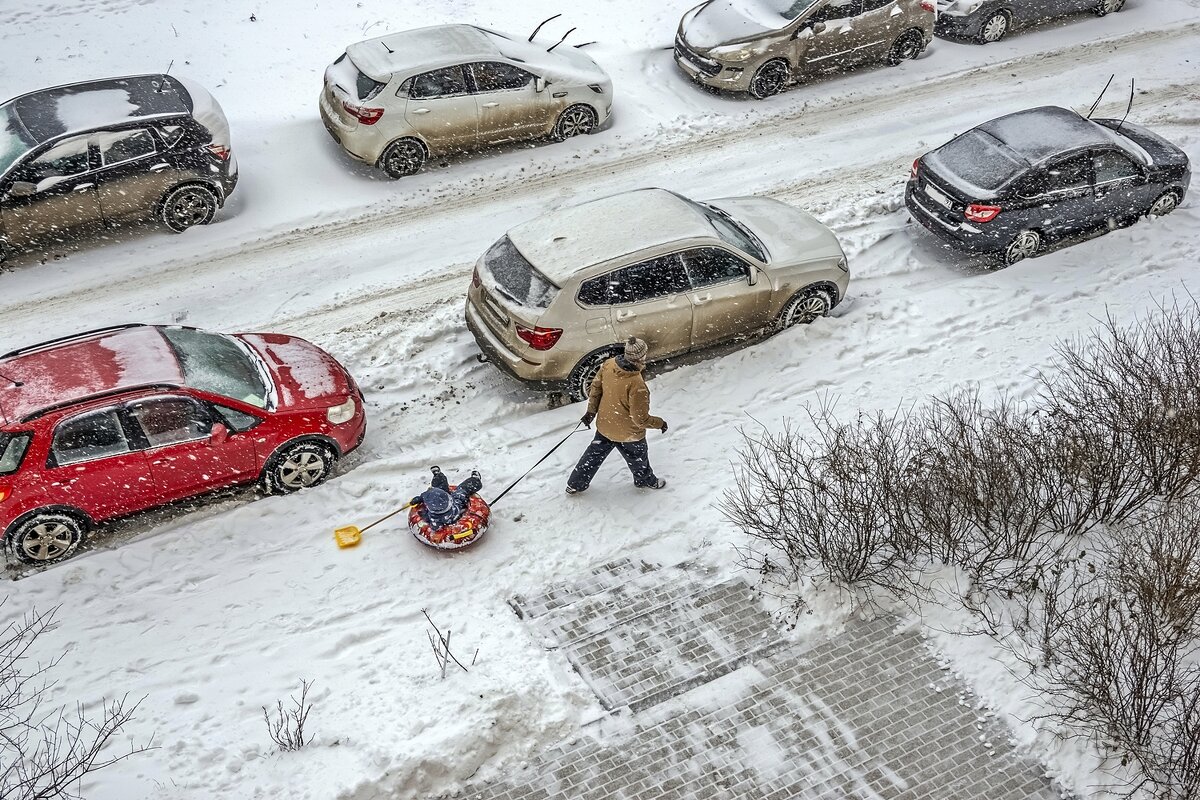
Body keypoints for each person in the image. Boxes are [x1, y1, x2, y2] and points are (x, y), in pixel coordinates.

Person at [566, 337, 668, 494]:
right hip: (628, 433)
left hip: (605, 424)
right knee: (638, 458)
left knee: (592, 456)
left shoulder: (609, 364)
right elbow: (640, 420)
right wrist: (660, 423)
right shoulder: (637, 385)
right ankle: (645, 481)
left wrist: (591, 412)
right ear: (642, 357)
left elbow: (596, 388)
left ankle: (576, 484)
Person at [410, 466, 483, 530]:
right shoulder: (438, 519)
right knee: (462, 490)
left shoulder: (432, 508)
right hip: (456, 506)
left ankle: (438, 475)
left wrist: (418, 499)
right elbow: (435, 528)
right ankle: (475, 480)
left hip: (446, 504)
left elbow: (425, 495)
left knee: (439, 488)